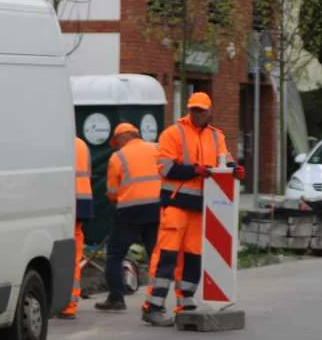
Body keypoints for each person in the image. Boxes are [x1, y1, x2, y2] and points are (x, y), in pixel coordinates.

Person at [141, 92, 245, 327]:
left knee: (193, 257)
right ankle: (153, 305)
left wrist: (235, 170)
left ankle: (185, 301)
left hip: (201, 207)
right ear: (188, 110)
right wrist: (195, 170)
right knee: (166, 255)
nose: (197, 114)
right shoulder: (173, 133)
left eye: (201, 110)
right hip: (176, 205)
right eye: (193, 110)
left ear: (210, 111)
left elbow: (225, 162)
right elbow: (165, 168)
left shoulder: (217, 137)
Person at [95, 123, 161, 312]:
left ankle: (116, 298)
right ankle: (156, 299)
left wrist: (117, 201)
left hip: (129, 211)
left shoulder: (118, 156)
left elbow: (112, 191)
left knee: (115, 254)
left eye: (116, 141)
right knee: (155, 254)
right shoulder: (156, 148)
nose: (116, 145)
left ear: (122, 138)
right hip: (156, 208)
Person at [61, 135, 93, 319]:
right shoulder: (81, 144)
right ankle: (70, 303)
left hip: (65, 200)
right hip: (82, 201)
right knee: (75, 251)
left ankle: (67, 302)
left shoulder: (54, 141)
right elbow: (87, 172)